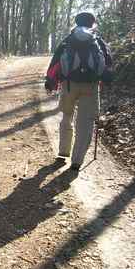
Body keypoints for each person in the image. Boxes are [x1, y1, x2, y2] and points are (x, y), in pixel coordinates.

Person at [44, 12, 112, 171]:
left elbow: (55, 61)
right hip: (91, 86)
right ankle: (77, 160)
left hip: (69, 85)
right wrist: (107, 80)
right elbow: (108, 63)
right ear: (92, 23)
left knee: (67, 117)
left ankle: (63, 152)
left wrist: (50, 81)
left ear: (76, 22)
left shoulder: (68, 40)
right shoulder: (98, 41)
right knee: (85, 123)